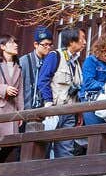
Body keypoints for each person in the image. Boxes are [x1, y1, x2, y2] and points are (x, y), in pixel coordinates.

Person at [37, 28, 87, 157]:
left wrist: (79, 112)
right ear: (71, 41)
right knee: (44, 148)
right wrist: (48, 102)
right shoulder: (55, 56)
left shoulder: (76, 62)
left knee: (66, 149)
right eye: (82, 38)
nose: (85, 42)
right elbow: (42, 81)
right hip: (53, 111)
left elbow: (77, 88)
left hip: (69, 111)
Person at [80, 31, 106, 126]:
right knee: (96, 133)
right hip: (91, 101)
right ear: (104, 45)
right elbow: (88, 83)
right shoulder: (91, 60)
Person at [19, 28, 55, 129]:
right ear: (35, 44)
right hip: (26, 109)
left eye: (50, 45)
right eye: (45, 45)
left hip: (42, 109)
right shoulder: (24, 61)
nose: (48, 47)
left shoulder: (49, 61)